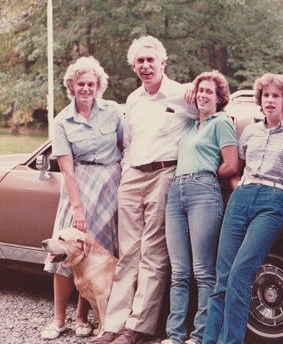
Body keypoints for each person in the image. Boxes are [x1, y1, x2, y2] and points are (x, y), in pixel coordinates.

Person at [93, 35, 197, 344]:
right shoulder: (134, 100)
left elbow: (210, 114)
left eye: (151, 59)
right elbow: (129, 142)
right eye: (140, 61)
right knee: (128, 253)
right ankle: (112, 324)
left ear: (163, 62)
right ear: (133, 66)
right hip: (133, 176)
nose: (146, 65)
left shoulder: (183, 94)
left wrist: (200, 85)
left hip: (164, 174)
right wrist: (126, 172)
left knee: (153, 253)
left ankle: (135, 328)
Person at [203, 73, 283, 344]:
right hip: (241, 197)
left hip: (272, 202)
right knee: (223, 276)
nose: (269, 100)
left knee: (241, 273)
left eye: (275, 96)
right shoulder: (251, 132)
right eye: (266, 95)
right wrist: (237, 188)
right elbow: (236, 168)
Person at [41, 56, 123, 340]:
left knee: (94, 257)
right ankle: (59, 319)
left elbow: (125, 147)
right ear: (71, 87)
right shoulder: (62, 120)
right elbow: (66, 169)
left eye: (91, 83)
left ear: (98, 85)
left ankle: (82, 318)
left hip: (111, 186)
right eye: (80, 84)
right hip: (79, 186)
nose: (86, 88)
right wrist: (77, 210)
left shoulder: (113, 111)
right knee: (63, 253)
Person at [162, 71, 239, 344]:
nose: (203, 95)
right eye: (200, 90)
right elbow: (165, 93)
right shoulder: (191, 124)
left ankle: (199, 336)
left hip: (204, 191)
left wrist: (205, 172)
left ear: (219, 99)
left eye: (209, 91)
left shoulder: (221, 122)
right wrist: (187, 89)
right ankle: (174, 335)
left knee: (203, 270)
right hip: (176, 193)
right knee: (179, 271)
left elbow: (232, 163)